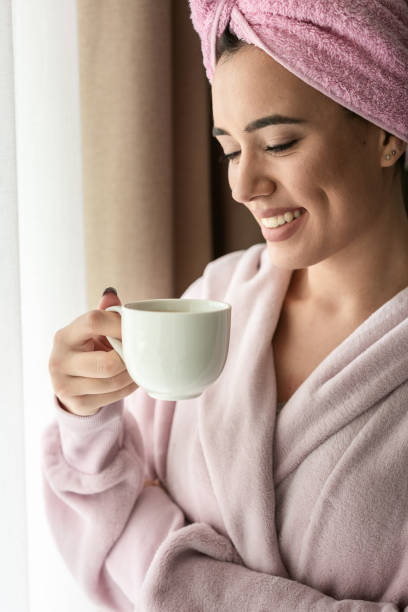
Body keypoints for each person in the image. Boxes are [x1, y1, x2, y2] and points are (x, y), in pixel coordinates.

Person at [42, 1, 408, 610]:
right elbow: (110, 516)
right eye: (231, 152)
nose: (243, 187)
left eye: (279, 143)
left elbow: (141, 543)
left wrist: (173, 567)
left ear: (386, 133)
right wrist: (88, 418)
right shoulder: (215, 297)